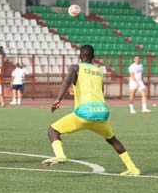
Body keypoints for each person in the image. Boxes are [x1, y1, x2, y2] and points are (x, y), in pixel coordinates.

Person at [42, 44, 141, 177]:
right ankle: (133, 169)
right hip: (102, 112)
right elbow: (99, 91)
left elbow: (67, 81)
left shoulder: (75, 67)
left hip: (84, 114)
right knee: (112, 139)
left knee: (53, 130)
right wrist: (76, 92)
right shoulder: (99, 71)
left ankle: (60, 155)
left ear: (80, 55)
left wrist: (58, 99)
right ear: (93, 57)